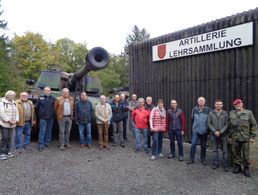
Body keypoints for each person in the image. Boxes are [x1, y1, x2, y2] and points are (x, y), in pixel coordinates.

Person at [229, 99, 257, 177]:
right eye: (236, 104)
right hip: (235, 137)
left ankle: (246, 168)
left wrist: (252, 136)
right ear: (234, 106)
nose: (238, 105)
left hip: (245, 137)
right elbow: (230, 126)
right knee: (236, 152)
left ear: (242, 104)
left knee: (246, 153)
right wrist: (230, 136)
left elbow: (253, 125)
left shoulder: (248, 113)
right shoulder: (232, 113)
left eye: (239, 103)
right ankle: (238, 166)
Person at [187, 97, 211, 165]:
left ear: (204, 102)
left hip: (204, 131)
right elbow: (192, 120)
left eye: (202, 101)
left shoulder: (208, 110)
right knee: (193, 144)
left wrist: (208, 131)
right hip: (196, 131)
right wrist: (193, 128)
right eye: (200, 101)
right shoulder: (194, 109)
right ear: (198, 102)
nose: (201, 102)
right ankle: (191, 159)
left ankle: (203, 159)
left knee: (203, 146)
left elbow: (210, 121)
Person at [207, 99, 229, 171]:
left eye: (220, 104)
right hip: (213, 135)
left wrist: (221, 132)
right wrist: (214, 131)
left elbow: (227, 124)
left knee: (225, 150)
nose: (218, 105)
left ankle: (225, 165)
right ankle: (215, 164)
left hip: (223, 135)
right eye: (217, 104)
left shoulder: (225, 114)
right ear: (215, 105)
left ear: (222, 105)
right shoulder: (211, 113)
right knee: (214, 150)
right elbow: (209, 123)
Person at [0, 90, 19, 160]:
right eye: (12, 95)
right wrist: (8, 120)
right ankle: (2, 153)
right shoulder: (2, 103)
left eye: (14, 96)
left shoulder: (14, 103)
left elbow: (17, 112)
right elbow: (1, 113)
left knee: (10, 138)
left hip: (12, 124)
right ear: (8, 95)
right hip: (4, 123)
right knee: (4, 138)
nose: (13, 97)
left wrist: (17, 120)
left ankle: (8, 151)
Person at [37, 86, 55, 152]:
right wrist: (40, 115)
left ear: (50, 91)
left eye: (48, 91)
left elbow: (54, 107)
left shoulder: (53, 98)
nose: (47, 92)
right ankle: (40, 145)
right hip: (43, 117)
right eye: (46, 90)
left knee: (49, 131)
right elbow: (37, 107)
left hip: (50, 117)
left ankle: (47, 143)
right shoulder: (40, 98)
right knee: (42, 131)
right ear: (44, 91)